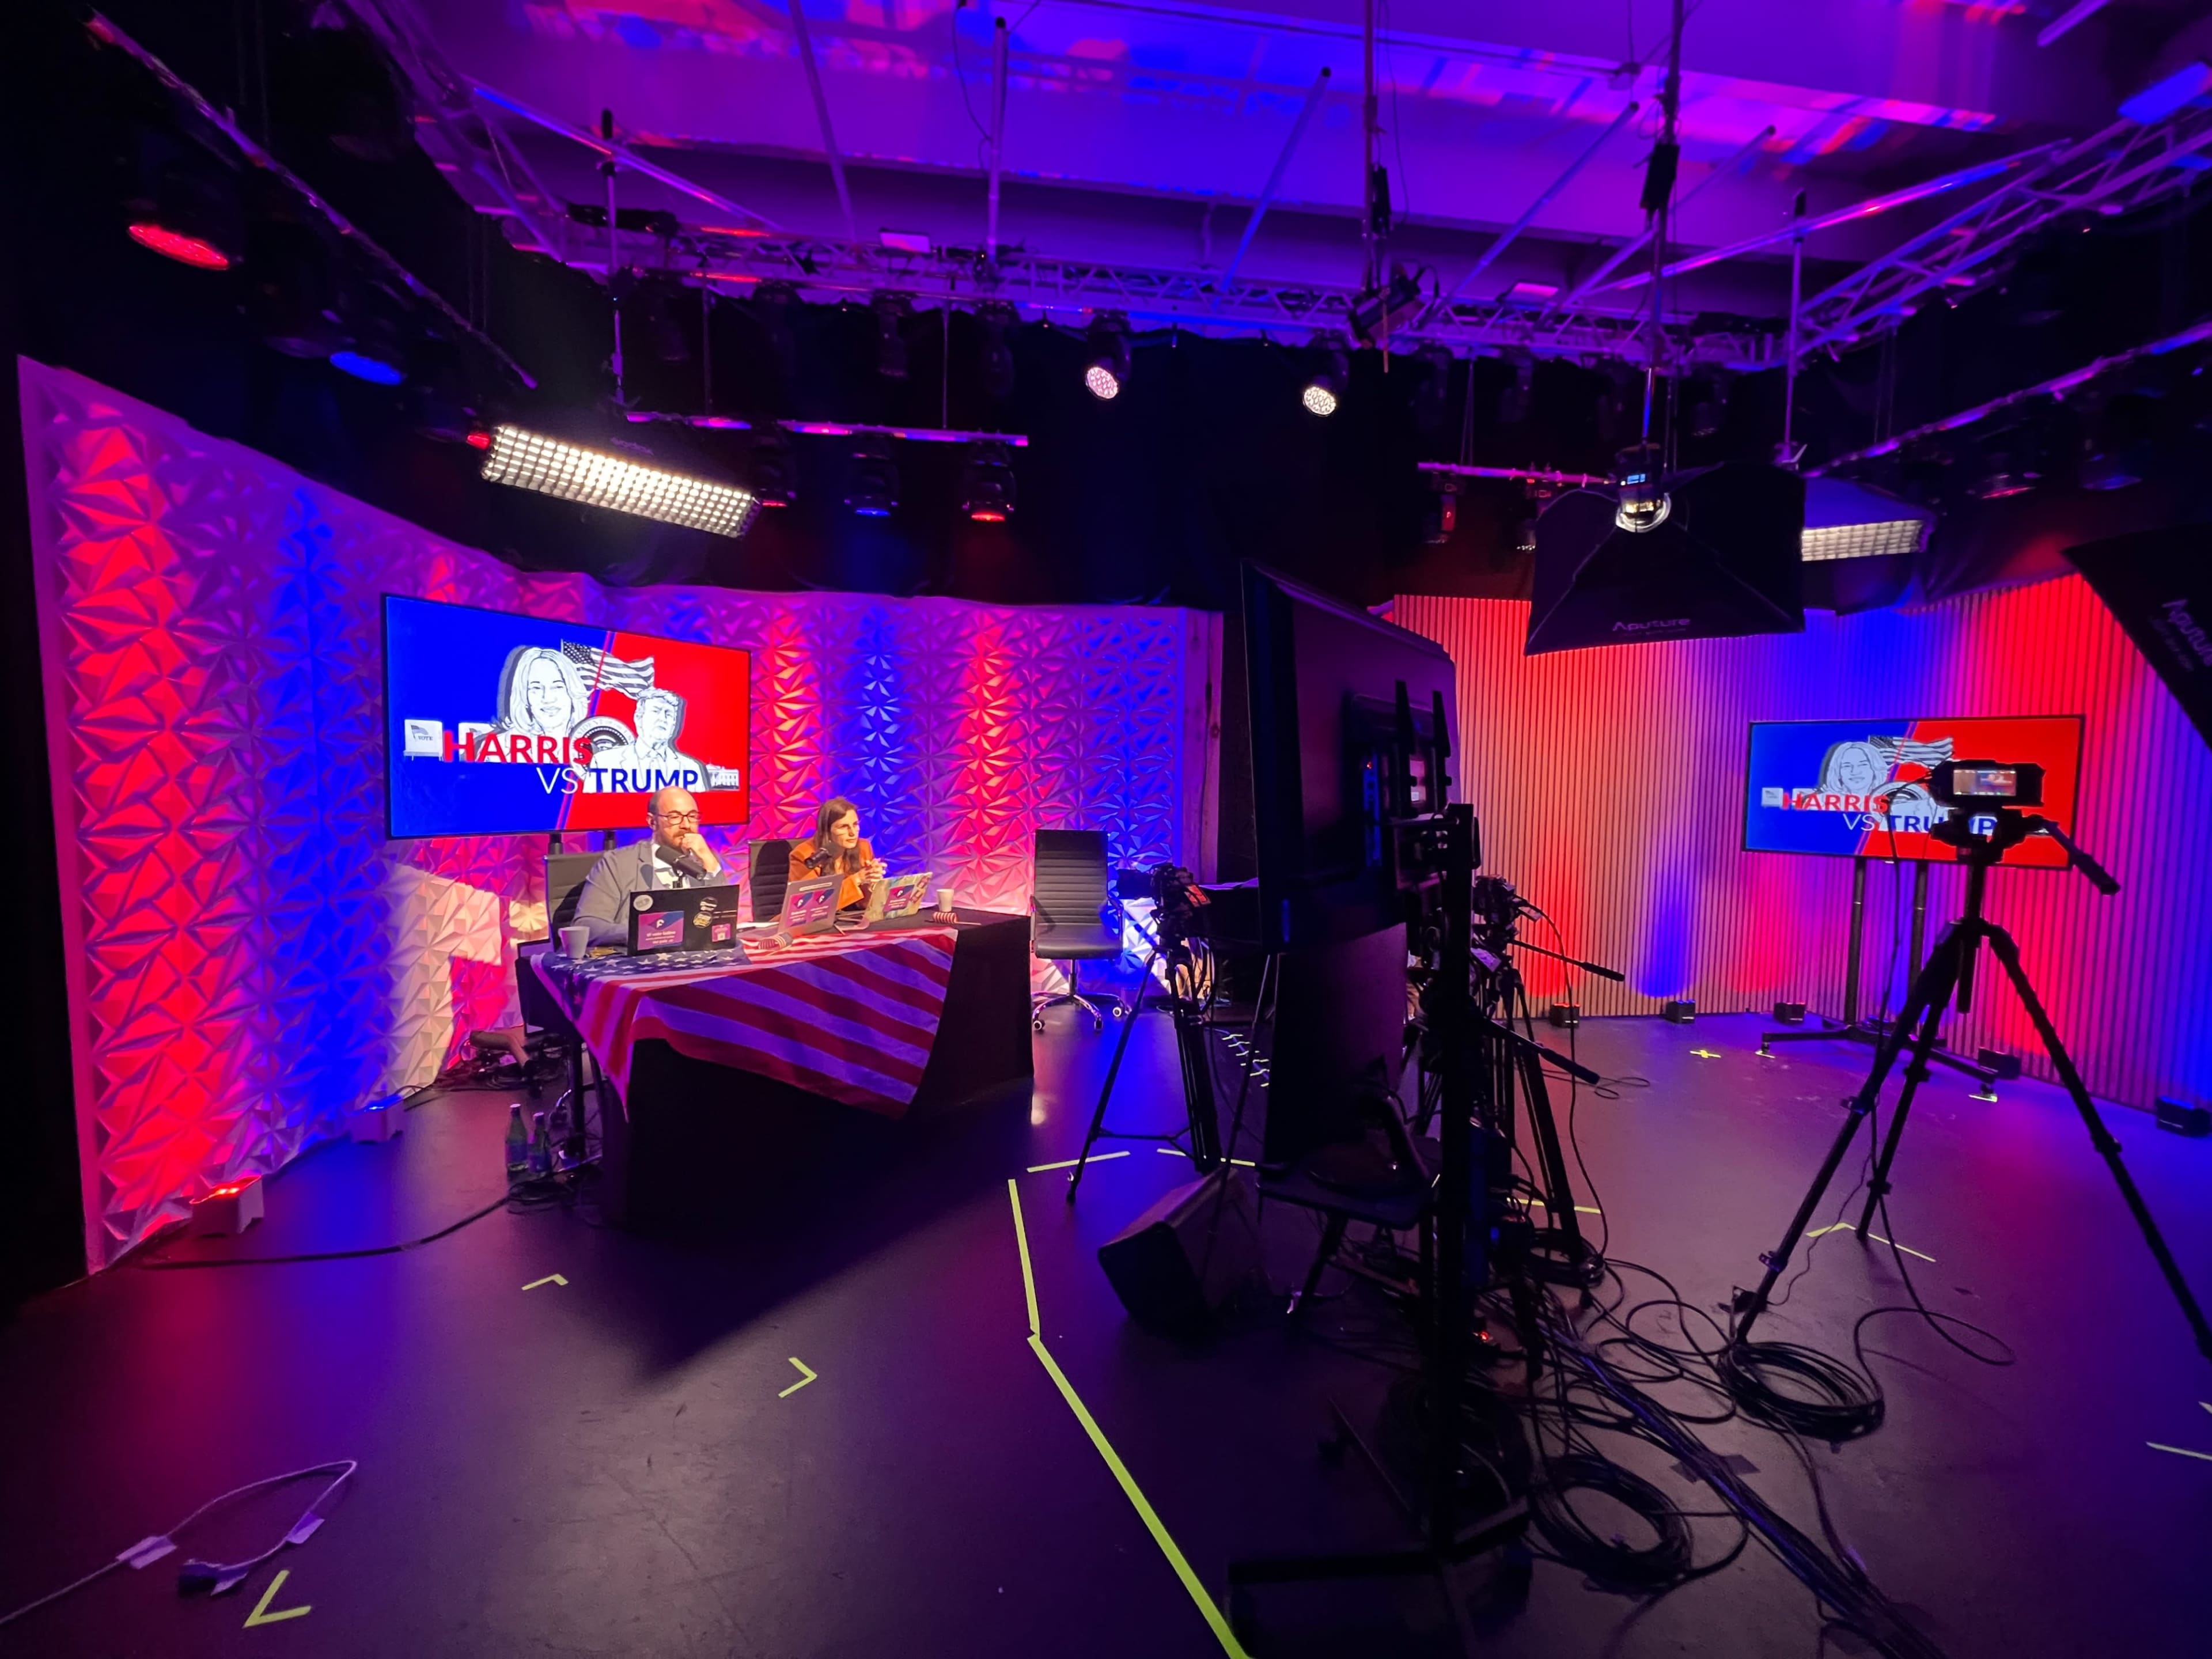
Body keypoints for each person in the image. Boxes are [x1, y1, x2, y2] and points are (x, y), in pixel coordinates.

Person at [573, 785, 736, 946]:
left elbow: (722, 922)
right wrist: (646, 933)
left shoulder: (705, 859)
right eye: (675, 817)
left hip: (698, 961)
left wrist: (711, 866)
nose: (686, 825)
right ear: (653, 822)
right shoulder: (617, 863)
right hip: (636, 964)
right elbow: (587, 926)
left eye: (692, 816)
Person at [788, 797, 887, 913]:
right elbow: (811, 907)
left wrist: (871, 885)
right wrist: (857, 879)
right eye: (843, 827)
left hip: (850, 921)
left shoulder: (863, 847)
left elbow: (863, 905)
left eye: (855, 825)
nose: (852, 833)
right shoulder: (804, 855)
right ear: (827, 831)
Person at [498, 645, 590, 741]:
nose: (548, 698)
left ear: (573, 693)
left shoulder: (598, 742)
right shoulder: (499, 746)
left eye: (558, 687)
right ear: (524, 696)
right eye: (536, 688)